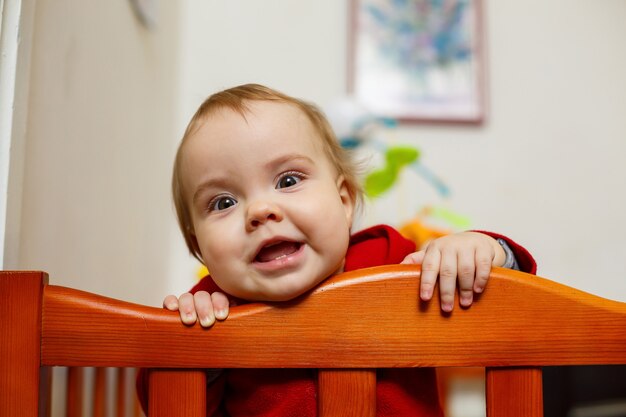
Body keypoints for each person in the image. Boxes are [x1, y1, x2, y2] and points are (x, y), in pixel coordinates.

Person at [138, 83, 536, 417]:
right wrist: (189, 350)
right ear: (199, 247)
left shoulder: (389, 260)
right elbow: (163, 403)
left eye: (288, 180)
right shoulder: (212, 309)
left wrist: (482, 251)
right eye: (223, 203)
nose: (260, 210)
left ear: (344, 200)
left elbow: (512, 300)